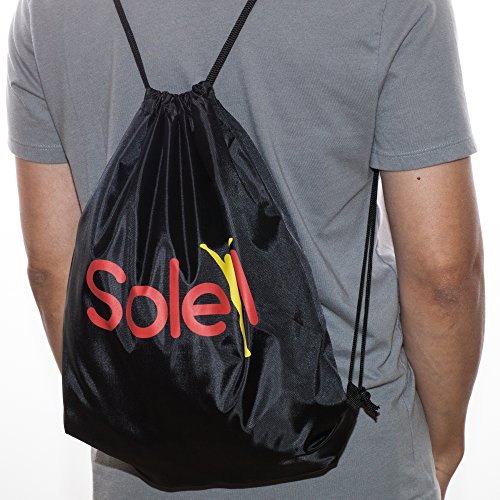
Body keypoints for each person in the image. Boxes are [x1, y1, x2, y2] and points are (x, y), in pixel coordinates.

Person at [6, 0, 484, 498]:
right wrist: (444, 448)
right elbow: (443, 277)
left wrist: (141, 409)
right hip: (350, 456)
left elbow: (52, 270)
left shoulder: (44, 10)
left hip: (140, 470)